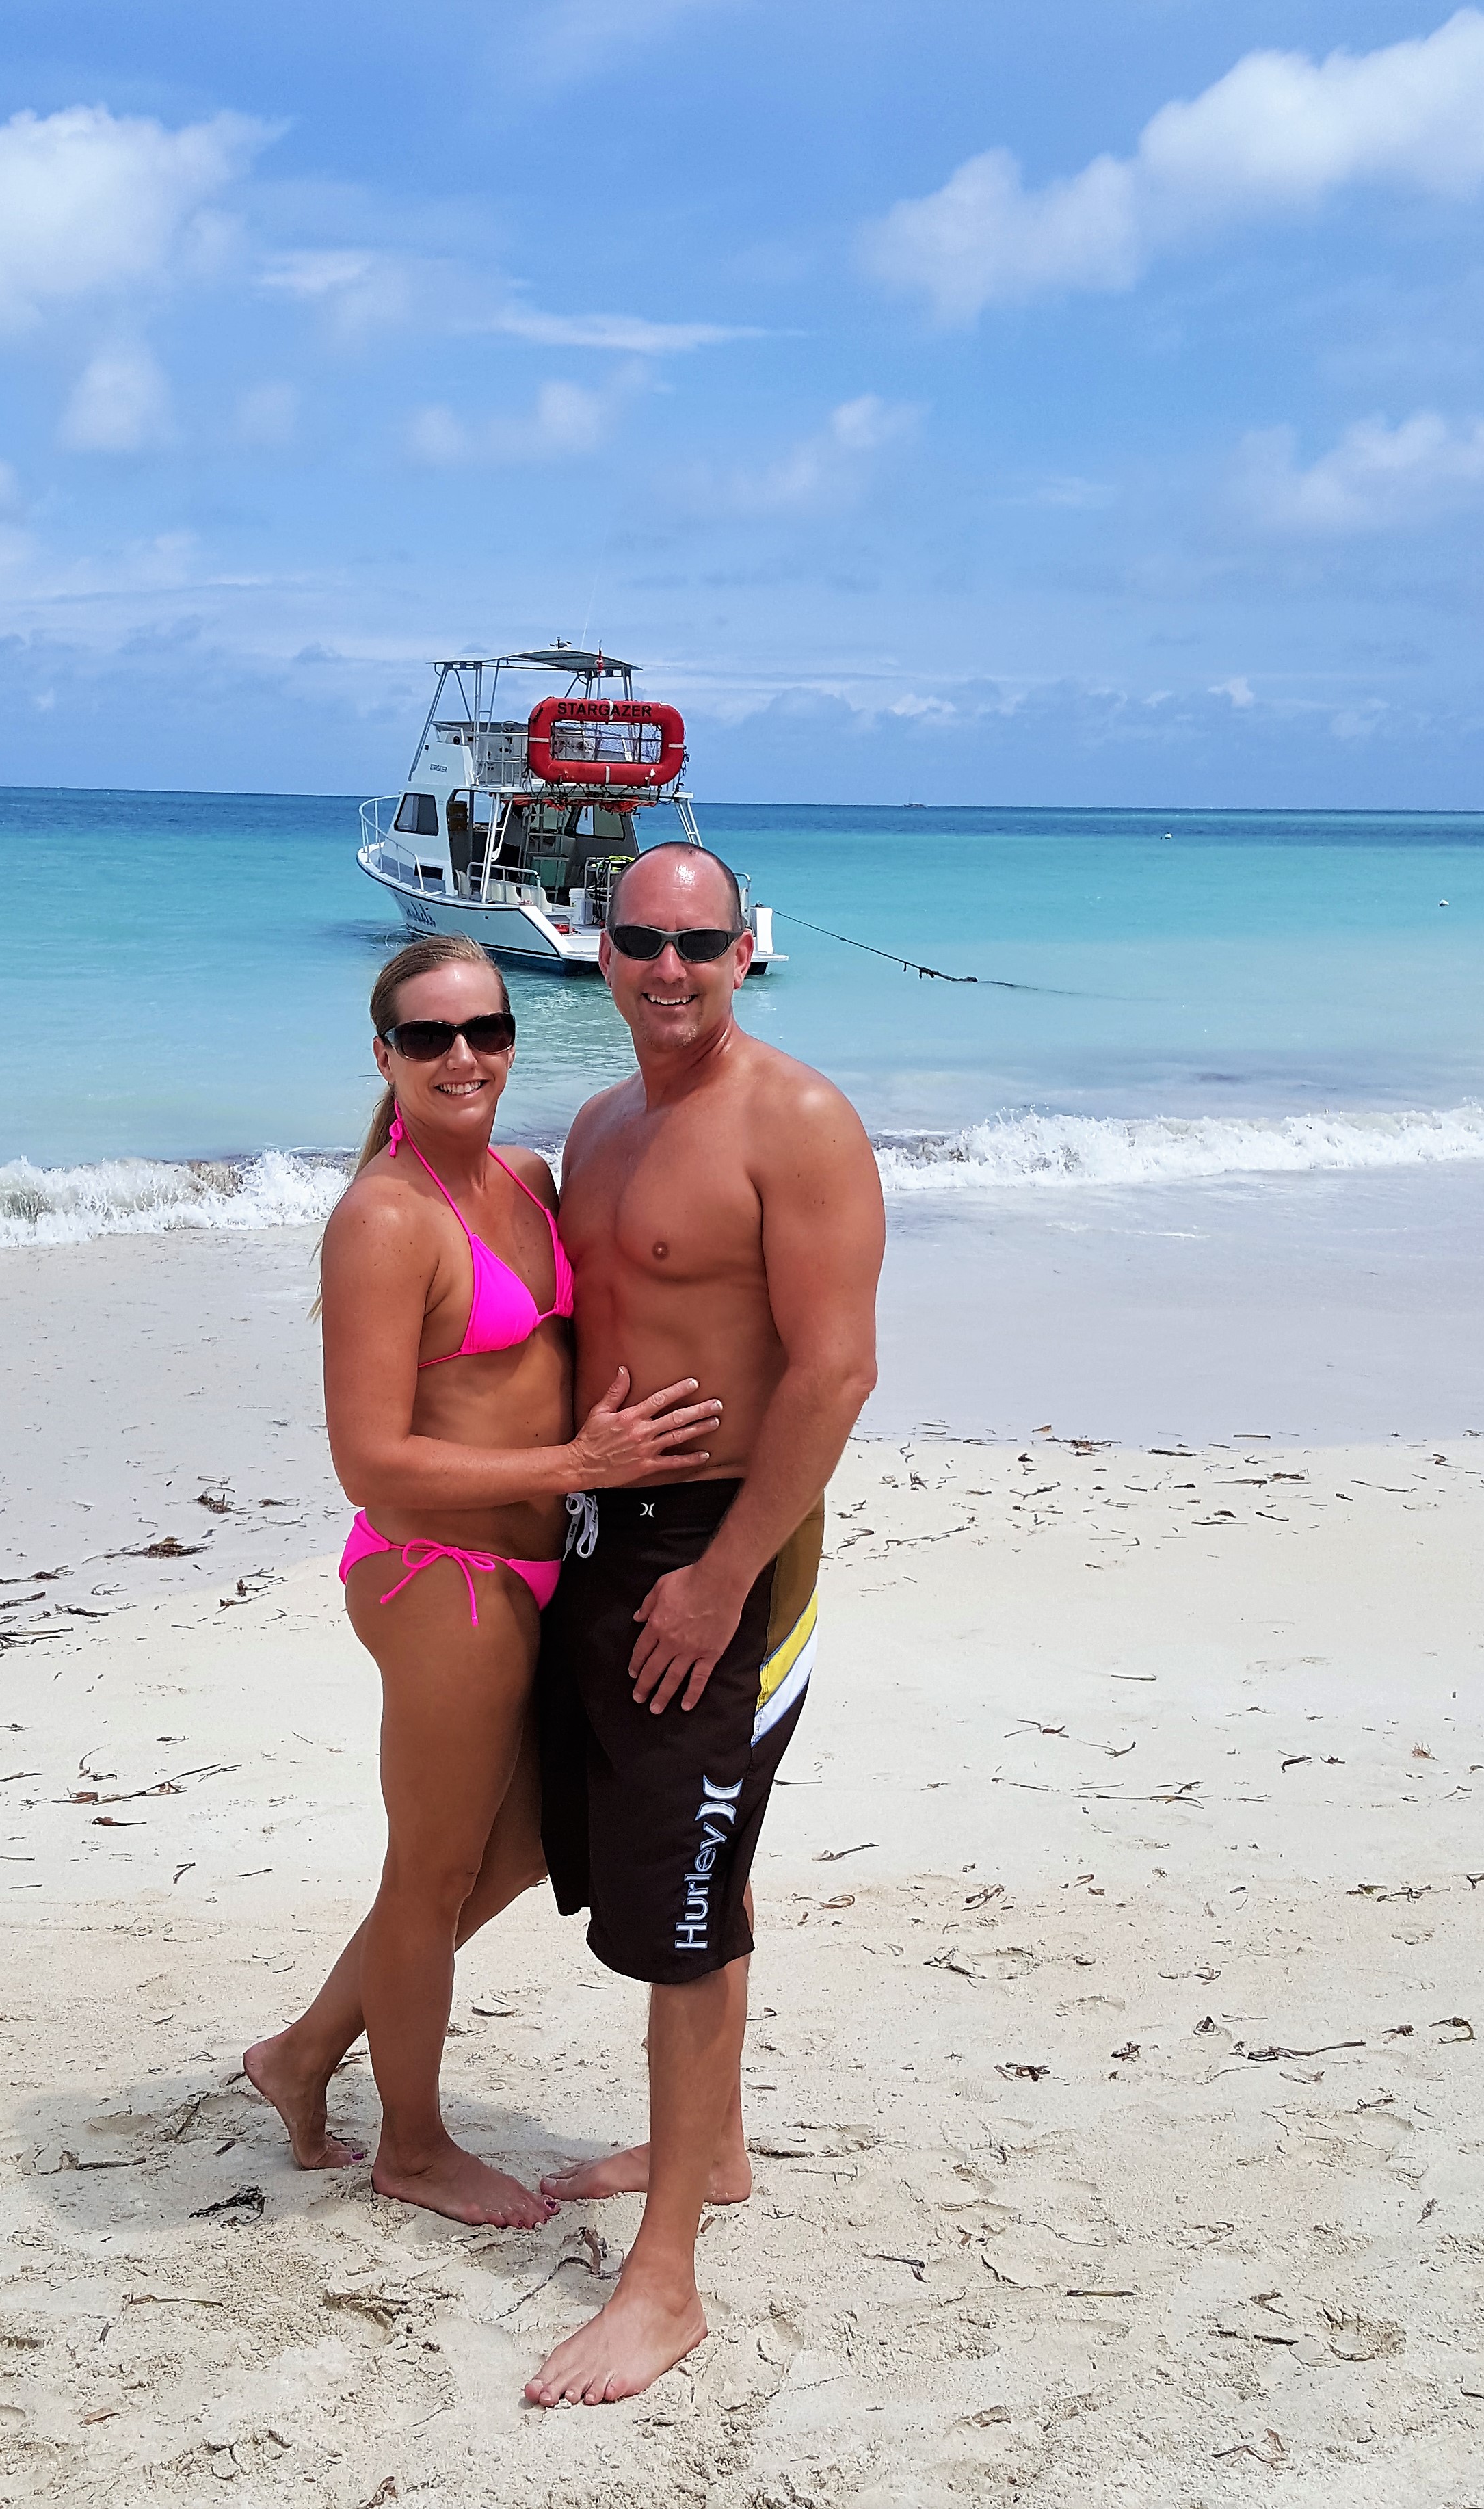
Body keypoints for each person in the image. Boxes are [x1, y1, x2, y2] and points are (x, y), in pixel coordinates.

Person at [244, 934, 724, 2230]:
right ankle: (411, 2147)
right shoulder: (384, 1220)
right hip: (440, 1576)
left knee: (511, 1850)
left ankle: (302, 2051)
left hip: (545, 1567)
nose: (463, 1057)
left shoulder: (529, 1175)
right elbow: (369, 1459)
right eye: (429, 1037)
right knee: (432, 1873)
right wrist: (577, 1463)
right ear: (385, 1056)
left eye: (486, 1030)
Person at [523, 843, 885, 2404]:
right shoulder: (599, 1124)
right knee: (667, 1856)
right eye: (639, 940)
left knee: (683, 1902)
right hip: (608, 1535)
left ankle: (664, 2281)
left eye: (697, 942)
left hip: (732, 1545)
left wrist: (724, 1574)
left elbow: (836, 1370)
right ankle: (714, 2149)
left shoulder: (795, 1120)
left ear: (745, 951)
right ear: (600, 951)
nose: (666, 968)